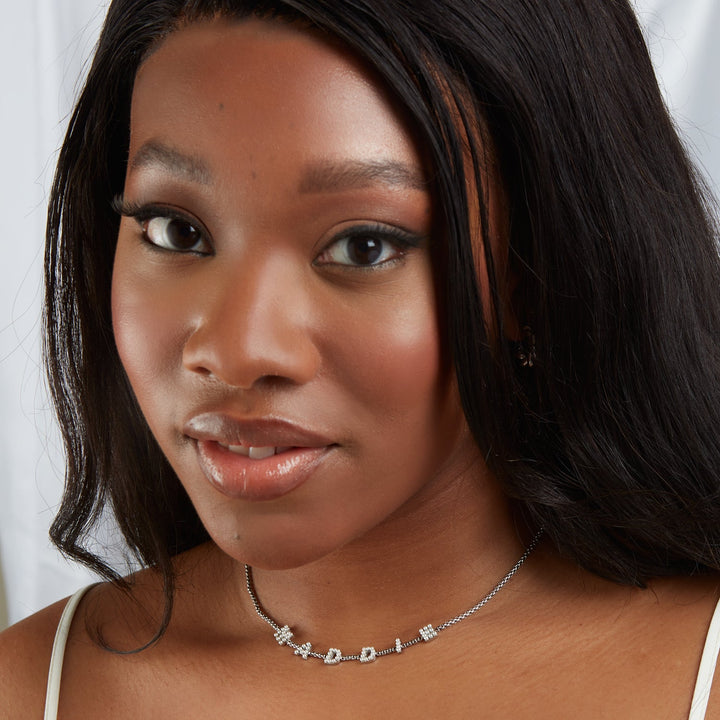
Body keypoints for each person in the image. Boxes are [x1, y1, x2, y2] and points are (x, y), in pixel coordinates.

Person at [2, 0, 720, 716]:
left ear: (534, 275)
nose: (235, 353)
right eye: (176, 231)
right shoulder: (31, 689)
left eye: (363, 246)